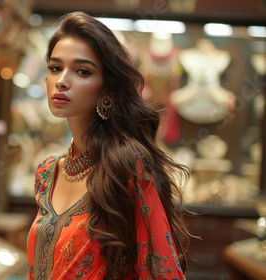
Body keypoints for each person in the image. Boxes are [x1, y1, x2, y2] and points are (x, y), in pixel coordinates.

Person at [26, 12, 191, 279]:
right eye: (55, 68)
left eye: (82, 71)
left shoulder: (127, 166)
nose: (62, 81)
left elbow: (163, 271)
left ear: (107, 87)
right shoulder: (46, 173)